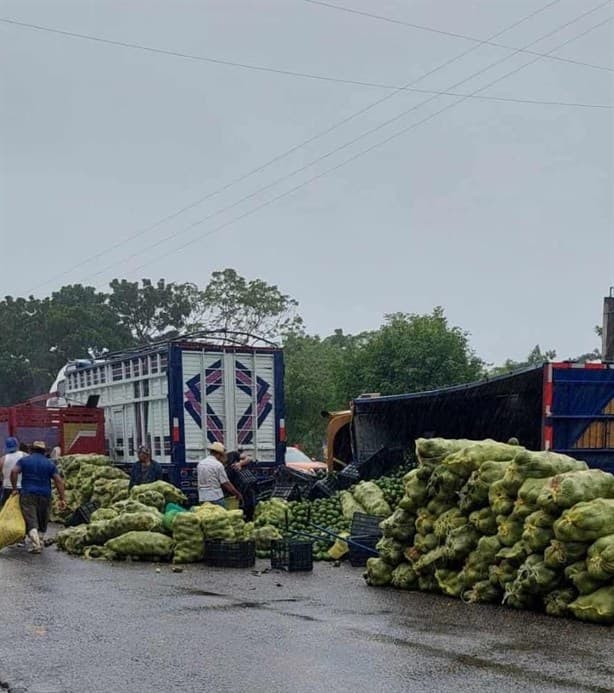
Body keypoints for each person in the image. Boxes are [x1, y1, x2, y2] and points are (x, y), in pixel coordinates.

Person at [11, 440, 67, 554]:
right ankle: (39, 540)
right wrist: (63, 498)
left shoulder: (24, 461)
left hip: (28, 494)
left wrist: (14, 488)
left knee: (31, 519)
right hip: (45, 495)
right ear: (44, 451)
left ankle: (36, 544)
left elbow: (14, 471)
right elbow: (59, 481)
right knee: (43, 519)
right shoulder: (49, 463)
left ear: (31, 450)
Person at [196, 442, 242, 508]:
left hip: (203, 498)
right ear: (218, 454)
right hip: (216, 498)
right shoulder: (218, 465)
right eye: (222, 455)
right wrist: (237, 493)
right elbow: (226, 483)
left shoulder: (200, 464)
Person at [225, 447, 257, 521]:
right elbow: (248, 458)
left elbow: (248, 458)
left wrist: (240, 464)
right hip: (244, 491)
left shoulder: (231, 463)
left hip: (240, 491)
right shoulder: (236, 464)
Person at [0, 437, 25, 508]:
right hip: (22, 488)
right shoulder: (24, 456)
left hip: (7, 488)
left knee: (6, 511)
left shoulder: (2, 459)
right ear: (17, 445)